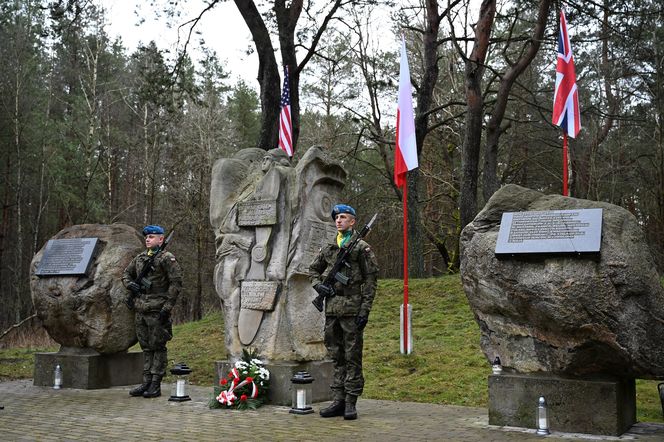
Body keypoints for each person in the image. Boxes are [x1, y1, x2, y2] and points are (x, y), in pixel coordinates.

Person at [308, 204, 379, 420]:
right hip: (331, 310)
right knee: (336, 357)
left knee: (352, 357)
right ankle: (338, 400)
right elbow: (313, 270)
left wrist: (364, 311)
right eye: (337, 217)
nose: (339, 220)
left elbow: (370, 280)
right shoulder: (329, 248)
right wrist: (318, 285)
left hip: (352, 310)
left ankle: (350, 402)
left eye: (344, 217)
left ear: (353, 221)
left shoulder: (361, 248)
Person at [123, 225, 182, 398]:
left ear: (161, 239)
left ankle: (156, 383)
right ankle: (146, 381)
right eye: (147, 237)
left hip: (157, 309)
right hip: (141, 308)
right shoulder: (140, 258)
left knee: (158, 346)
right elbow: (126, 274)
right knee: (146, 347)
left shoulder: (167, 258)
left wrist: (167, 307)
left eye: (151, 236)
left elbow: (176, 284)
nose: (147, 239)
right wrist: (130, 284)